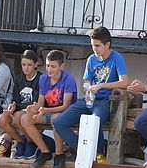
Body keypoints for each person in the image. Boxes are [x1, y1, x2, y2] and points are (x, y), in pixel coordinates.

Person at [53, 26, 129, 159]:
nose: (94, 49)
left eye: (98, 45)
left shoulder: (117, 57)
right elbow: (87, 81)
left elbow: (124, 82)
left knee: (94, 122)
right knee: (59, 122)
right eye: (93, 45)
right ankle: (85, 152)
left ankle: (99, 152)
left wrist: (101, 86)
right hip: (89, 100)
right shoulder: (91, 59)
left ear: (107, 45)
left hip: (105, 101)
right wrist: (86, 89)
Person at [23, 50, 77, 168]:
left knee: (55, 118)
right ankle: (45, 151)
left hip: (67, 113)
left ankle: (59, 154)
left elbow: (65, 106)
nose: (49, 69)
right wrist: (35, 108)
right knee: (25, 118)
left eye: (53, 66)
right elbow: (41, 102)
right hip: (48, 111)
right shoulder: (43, 78)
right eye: (47, 65)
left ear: (61, 66)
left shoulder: (68, 79)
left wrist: (44, 110)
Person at [0, 50, 41, 158]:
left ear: (36, 64)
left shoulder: (40, 78)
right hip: (19, 109)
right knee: (1, 119)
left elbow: (36, 100)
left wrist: (19, 108)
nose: (26, 68)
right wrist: (13, 105)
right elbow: (15, 96)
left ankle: (31, 143)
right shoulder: (18, 78)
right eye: (23, 64)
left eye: (29, 65)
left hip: (33, 110)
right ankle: (20, 141)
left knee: (18, 116)